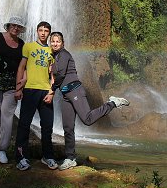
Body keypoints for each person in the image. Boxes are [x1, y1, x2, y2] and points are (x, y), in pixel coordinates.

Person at [47, 32, 130, 171]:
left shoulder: (64, 55)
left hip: (75, 91)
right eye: (53, 41)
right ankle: (70, 158)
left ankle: (113, 103)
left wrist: (52, 89)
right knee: (68, 127)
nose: (55, 44)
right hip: (65, 94)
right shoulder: (54, 56)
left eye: (58, 41)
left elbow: (60, 75)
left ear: (63, 43)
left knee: (87, 118)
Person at [14, 21, 58, 171]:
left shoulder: (52, 51)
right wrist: (18, 88)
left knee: (47, 126)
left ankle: (48, 156)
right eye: (41, 30)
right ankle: (21, 157)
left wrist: (52, 92)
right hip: (30, 89)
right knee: (24, 124)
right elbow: (21, 67)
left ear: (49, 33)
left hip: (46, 91)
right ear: (37, 31)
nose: (43, 33)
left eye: (46, 31)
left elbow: (53, 74)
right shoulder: (28, 46)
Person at [0, 16, 26, 164]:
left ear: (21, 29)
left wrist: (20, 87)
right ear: (8, 26)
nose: (16, 28)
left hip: (11, 87)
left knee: (7, 118)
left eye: (18, 26)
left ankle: (2, 150)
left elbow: (24, 67)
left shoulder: (22, 44)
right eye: (13, 25)